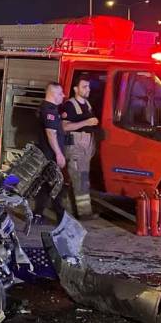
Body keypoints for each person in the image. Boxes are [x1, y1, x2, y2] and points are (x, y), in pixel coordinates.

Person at [61, 77, 100, 218]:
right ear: (75, 89)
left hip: (86, 144)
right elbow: (65, 126)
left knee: (78, 178)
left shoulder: (87, 104)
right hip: (75, 144)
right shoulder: (69, 105)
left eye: (88, 86)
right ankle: (84, 212)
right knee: (80, 178)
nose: (88, 89)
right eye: (84, 86)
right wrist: (86, 122)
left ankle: (67, 208)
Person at [35, 82, 67, 223]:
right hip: (50, 155)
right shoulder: (49, 111)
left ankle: (38, 215)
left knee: (47, 185)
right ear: (53, 94)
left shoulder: (48, 109)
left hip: (47, 155)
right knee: (56, 185)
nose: (63, 96)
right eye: (60, 93)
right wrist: (59, 154)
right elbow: (51, 134)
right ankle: (61, 217)